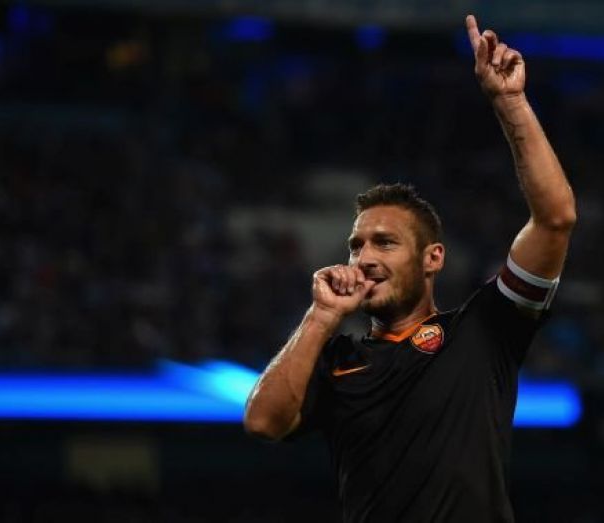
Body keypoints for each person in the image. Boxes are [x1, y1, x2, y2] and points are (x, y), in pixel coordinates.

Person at [244, 14, 576, 523]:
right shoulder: (336, 361)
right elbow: (264, 422)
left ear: (432, 258)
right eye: (356, 247)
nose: (365, 258)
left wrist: (510, 102)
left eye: (385, 243)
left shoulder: (484, 332)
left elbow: (555, 219)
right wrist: (320, 317)